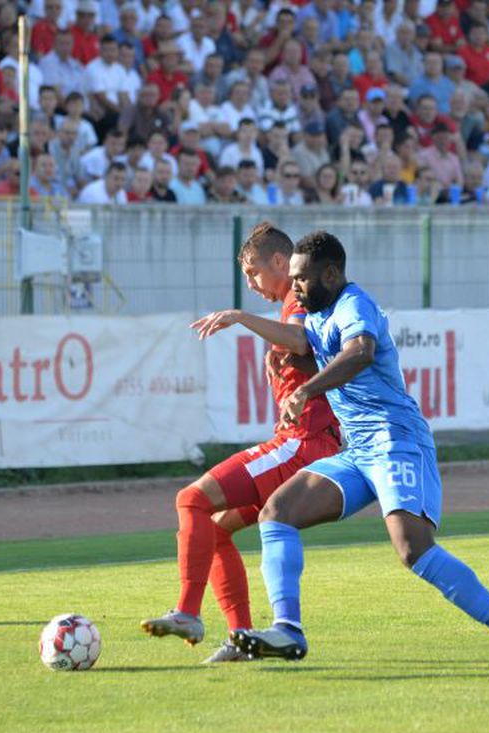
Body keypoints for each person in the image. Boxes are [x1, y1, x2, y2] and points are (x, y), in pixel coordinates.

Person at [190, 231, 489, 674]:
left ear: (331, 274)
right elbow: (306, 346)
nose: (296, 288)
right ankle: (288, 629)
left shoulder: (352, 305)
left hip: (396, 440)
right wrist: (285, 357)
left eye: (302, 279)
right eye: (294, 280)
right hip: (358, 450)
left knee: (413, 549)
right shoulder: (319, 314)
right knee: (277, 512)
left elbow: (359, 353)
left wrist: (306, 388)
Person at [140, 223, 342, 662]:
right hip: (303, 442)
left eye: (253, 272)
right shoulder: (292, 302)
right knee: (213, 531)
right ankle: (243, 638)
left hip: (303, 443)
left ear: (278, 262)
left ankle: (188, 613)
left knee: (191, 499)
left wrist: (239, 317)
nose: (251, 284)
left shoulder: (298, 299)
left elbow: (301, 339)